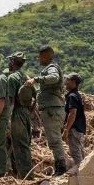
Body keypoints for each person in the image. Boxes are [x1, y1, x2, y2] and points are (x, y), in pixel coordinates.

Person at [25, 45, 67, 175]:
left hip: (52, 110)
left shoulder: (52, 68)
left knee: (55, 140)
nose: (39, 59)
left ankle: (61, 168)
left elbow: (53, 77)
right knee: (54, 140)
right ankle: (60, 166)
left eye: (40, 56)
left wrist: (36, 79)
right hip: (52, 110)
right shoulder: (49, 68)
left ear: (45, 56)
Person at [6, 52, 32, 178]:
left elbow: (11, 101)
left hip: (16, 113)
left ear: (12, 62)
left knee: (20, 146)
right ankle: (20, 174)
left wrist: (8, 119)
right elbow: (34, 97)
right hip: (26, 112)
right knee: (23, 144)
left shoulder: (12, 78)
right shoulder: (26, 77)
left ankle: (26, 177)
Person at [63, 73, 87, 169]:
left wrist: (66, 129)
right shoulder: (77, 95)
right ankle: (84, 172)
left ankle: (81, 177)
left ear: (73, 82)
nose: (66, 82)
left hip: (74, 129)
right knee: (81, 153)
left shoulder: (72, 96)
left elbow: (72, 114)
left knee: (76, 155)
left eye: (68, 80)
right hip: (79, 129)